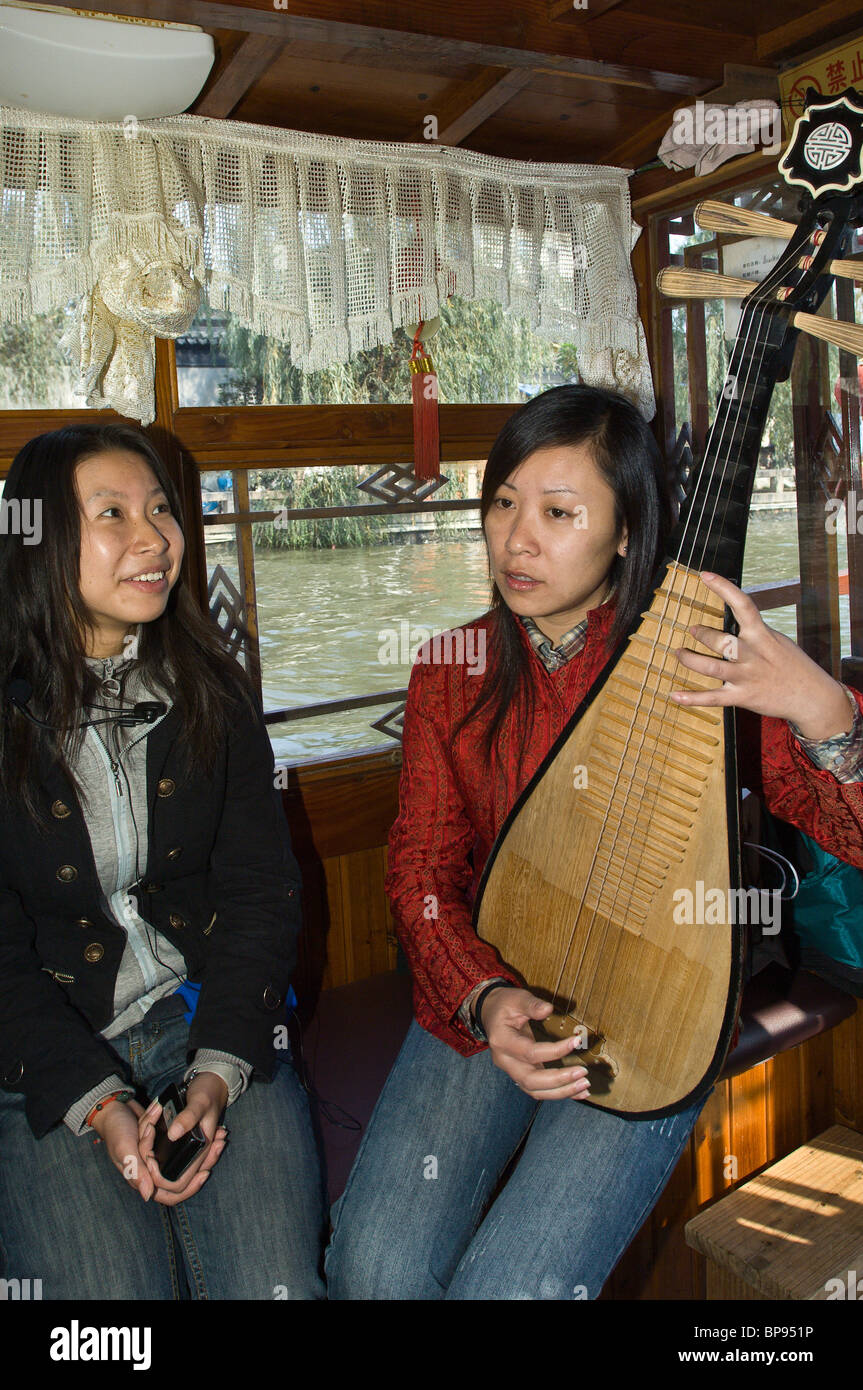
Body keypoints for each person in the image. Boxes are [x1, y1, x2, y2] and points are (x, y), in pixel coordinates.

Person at [326, 384, 863, 1301]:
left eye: (558, 512)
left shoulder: (697, 660)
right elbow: (419, 863)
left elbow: (840, 826)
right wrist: (481, 993)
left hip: (659, 1004)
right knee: (373, 1272)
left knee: (509, 1291)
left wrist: (821, 710)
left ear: (624, 534)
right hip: (497, 973)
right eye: (502, 503)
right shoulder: (452, 672)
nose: (517, 538)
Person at [0, 423, 325, 1300]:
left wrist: (219, 1070)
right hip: (47, 1054)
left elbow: (261, 892)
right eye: (113, 514)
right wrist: (100, 1105)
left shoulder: (210, 689)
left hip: (201, 1019)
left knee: (276, 1289)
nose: (155, 539)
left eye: (159, 510)